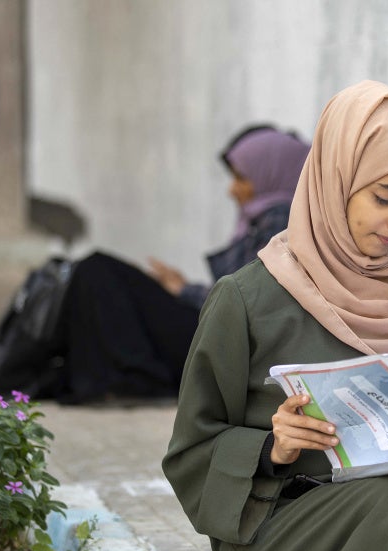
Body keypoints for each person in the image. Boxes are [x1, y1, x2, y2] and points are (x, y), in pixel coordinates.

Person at [162, 80, 388, 551]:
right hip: (284, 517)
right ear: (338, 178)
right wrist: (273, 447)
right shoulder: (247, 297)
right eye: (384, 198)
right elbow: (192, 450)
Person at [51, 125, 310, 403]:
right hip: (221, 335)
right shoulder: (266, 218)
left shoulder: (279, 220)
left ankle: (134, 379)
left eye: (241, 178)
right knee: (101, 276)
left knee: (98, 270)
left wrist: (183, 290)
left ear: (271, 173)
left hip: (226, 346)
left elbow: (252, 304)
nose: (232, 190)